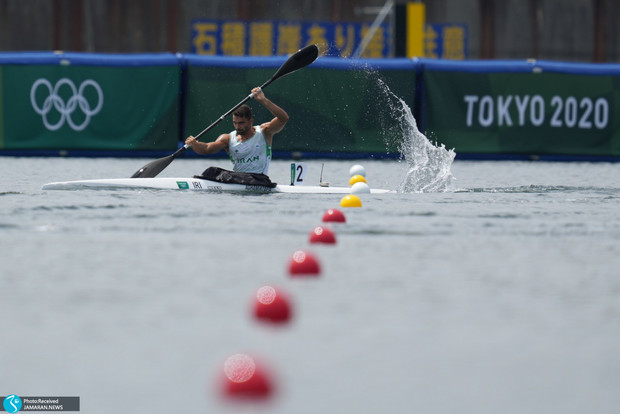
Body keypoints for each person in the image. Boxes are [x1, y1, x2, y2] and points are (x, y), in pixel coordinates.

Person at [185, 87, 289, 179]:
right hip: (238, 179)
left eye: (241, 123)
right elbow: (207, 148)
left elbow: (283, 118)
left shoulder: (264, 131)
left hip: (260, 179)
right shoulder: (228, 138)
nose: (238, 127)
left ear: (250, 121)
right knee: (211, 171)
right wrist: (195, 144)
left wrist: (263, 100)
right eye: (235, 123)